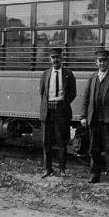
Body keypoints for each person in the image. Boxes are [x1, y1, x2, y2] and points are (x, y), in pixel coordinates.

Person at [80, 49, 109, 183]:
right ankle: (95, 174)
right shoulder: (92, 77)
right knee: (93, 148)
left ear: (108, 62)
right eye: (100, 61)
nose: (102, 63)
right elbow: (86, 98)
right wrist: (83, 116)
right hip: (94, 119)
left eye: (104, 60)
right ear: (96, 63)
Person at [38, 47, 76, 178]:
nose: (56, 60)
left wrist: (62, 104)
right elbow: (42, 92)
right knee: (46, 142)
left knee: (61, 142)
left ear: (62, 58)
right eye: (53, 58)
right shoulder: (46, 74)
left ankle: (62, 168)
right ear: (50, 59)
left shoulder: (68, 74)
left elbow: (72, 93)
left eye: (58, 57)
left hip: (61, 111)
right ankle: (47, 169)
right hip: (48, 111)